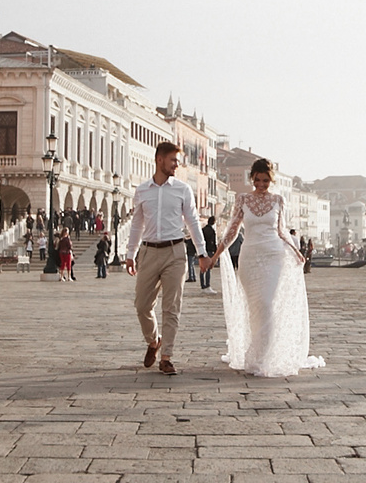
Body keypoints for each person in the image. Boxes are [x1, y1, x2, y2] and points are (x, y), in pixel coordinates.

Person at [197, 158, 325, 378]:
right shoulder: (242, 199)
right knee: (254, 308)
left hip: (273, 255)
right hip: (250, 257)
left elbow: (282, 231)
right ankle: (256, 350)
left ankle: (260, 357)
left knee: (266, 304)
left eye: (266, 180)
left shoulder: (278, 200)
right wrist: (215, 256)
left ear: (271, 180)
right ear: (252, 178)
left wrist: (296, 252)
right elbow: (232, 231)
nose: (261, 184)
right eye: (257, 180)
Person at [119, 138, 203, 375]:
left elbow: (193, 221)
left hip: (176, 252)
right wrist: (130, 254)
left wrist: (202, 252)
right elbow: (136, 224)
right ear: (159, 160)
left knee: (171, 307)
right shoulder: (142, 190)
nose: (176, 165)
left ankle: (166, 356)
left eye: (177, 161)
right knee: (142, 305)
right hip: (148, 251)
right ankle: (153, 340)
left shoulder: (183, 189)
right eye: (173, 160)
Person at [197, 215, 219, 291]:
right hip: (210, 250)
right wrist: (216, 252)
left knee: (202, 268)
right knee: (209, 268)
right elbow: (214, 242)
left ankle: (202, 284)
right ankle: (207, 284)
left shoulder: (203, 230)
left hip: (203, 249)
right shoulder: (212, 231)